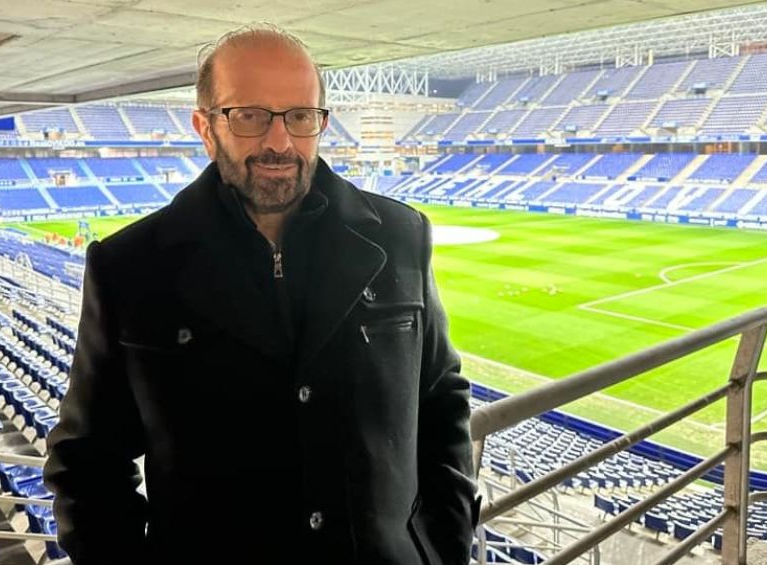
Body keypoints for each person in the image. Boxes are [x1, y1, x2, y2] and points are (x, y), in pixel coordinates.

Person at [44, 24, 479, 565]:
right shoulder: (130, 265)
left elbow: (441, 400)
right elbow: (86, 461)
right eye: (249, 116)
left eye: (299, 116)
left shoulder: (400, 235)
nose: (280, 142)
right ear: (206, 128)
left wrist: (445, 547)